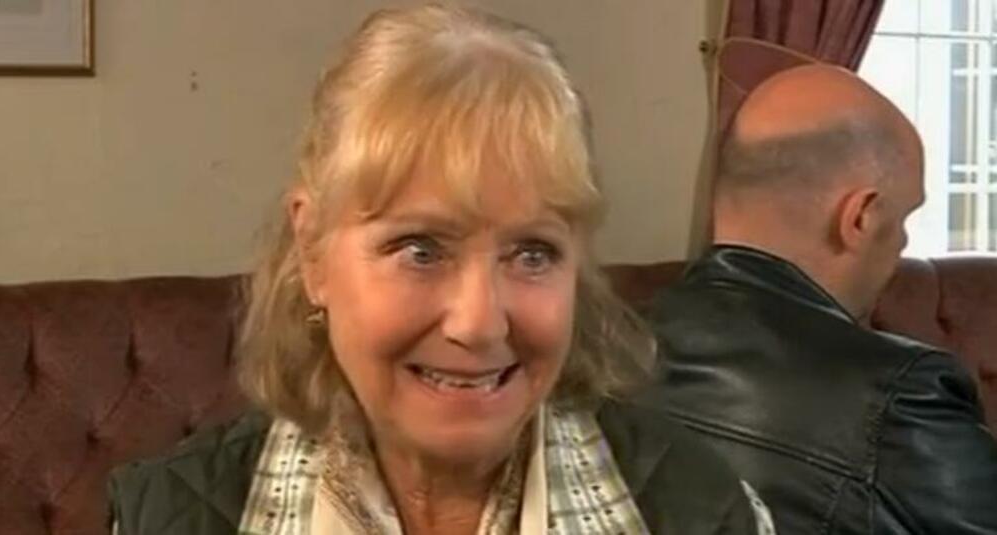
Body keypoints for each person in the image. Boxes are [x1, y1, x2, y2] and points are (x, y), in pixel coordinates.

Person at [107, 4, 772, 534]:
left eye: (532, 253)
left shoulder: (702, 510)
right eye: (420, 249)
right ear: (313, 252)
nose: (479, 323)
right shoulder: (167, 515)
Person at [643, 63, 997, 534]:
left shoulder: (607, 348)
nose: (903, 244)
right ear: (860, 216)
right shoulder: (900, 397)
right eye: (903, 219)